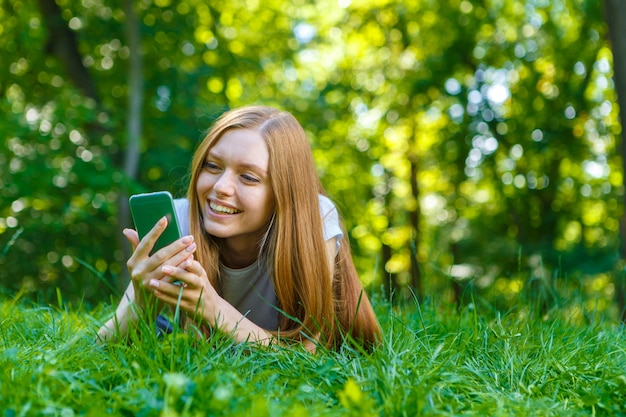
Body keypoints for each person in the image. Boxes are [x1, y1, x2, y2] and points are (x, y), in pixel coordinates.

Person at [98, 105, 381, 351]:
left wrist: (213, 308)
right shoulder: (178, 220)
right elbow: (102, 345)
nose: (220, 187)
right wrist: (144, 299)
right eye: (212, 166)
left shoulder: (314, 220)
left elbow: (307, 355)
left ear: (285, 191)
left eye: (248, 177)